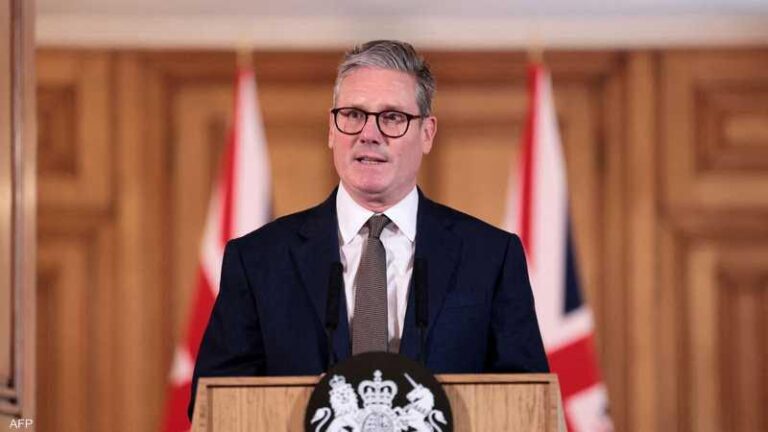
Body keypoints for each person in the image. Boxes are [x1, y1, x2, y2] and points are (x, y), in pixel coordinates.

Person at [189, 40, 548, 418]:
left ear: (427, 133)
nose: (369, 134)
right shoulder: (259, 260)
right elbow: (214, 407)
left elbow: (527, 406)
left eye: (392, 117)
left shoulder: (490, 257)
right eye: (353, 114)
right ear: (332, 129)